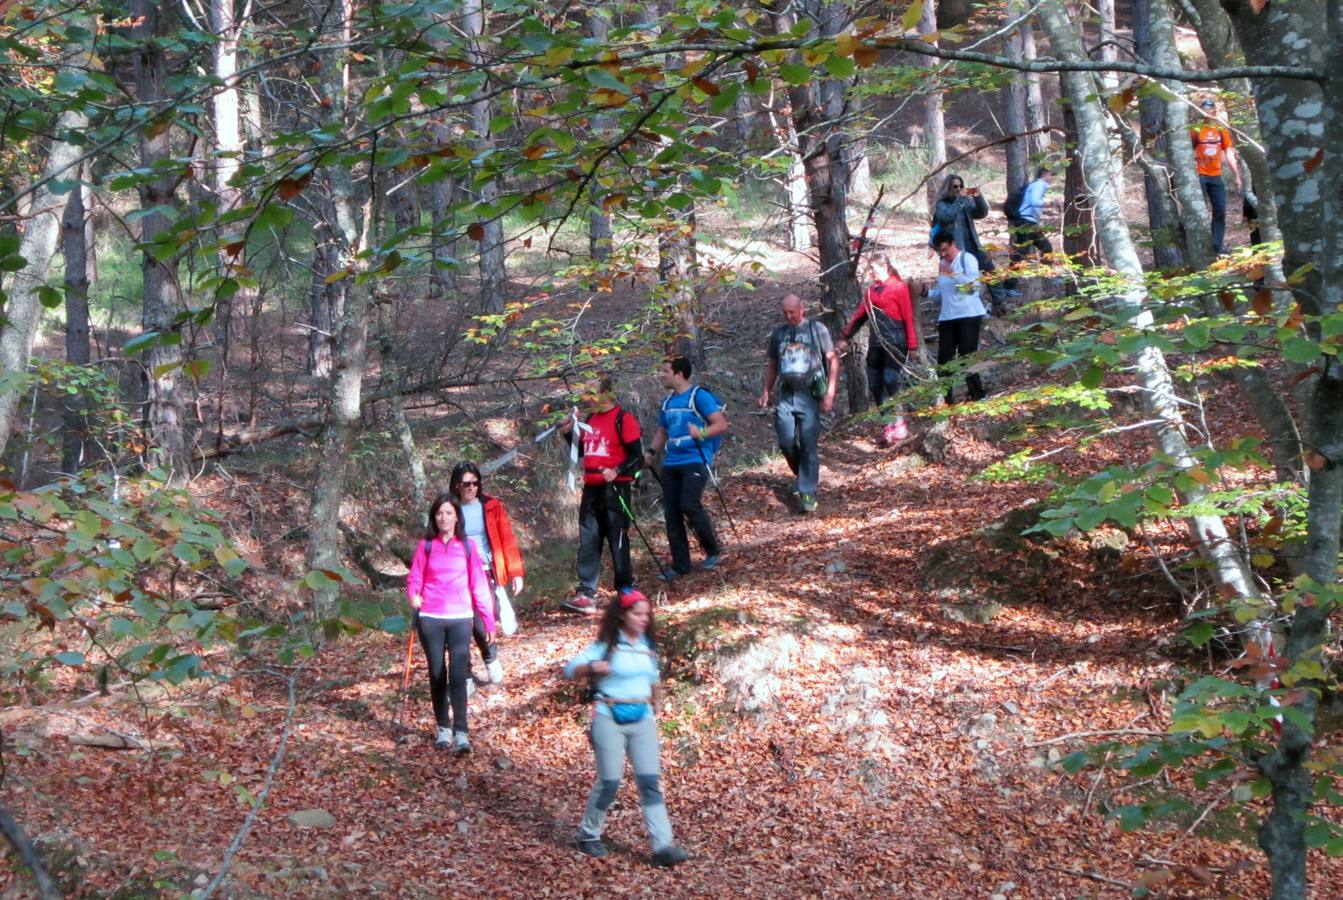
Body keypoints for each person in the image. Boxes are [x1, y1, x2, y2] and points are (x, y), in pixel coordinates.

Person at [564, 589, 689, 867]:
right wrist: (592, 667)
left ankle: (662, 847)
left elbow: (653, 678)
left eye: (647, 614)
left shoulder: (647, 645)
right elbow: (570, 669)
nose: (644, 619)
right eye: (638, 613)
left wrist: (656, 703)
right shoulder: (606, 644)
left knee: (650, 782)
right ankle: (588, 834)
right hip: (608, 714)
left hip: (642, 717)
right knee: (609, 781)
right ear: (622, 615)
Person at [405, 493, 496, 754]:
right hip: (431, 617)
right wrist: (413, 595)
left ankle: (462, 732)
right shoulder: (426, 546)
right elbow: (414, 578)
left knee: (458, 674)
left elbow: (479, 585)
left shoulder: (468, 548)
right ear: (434, 518)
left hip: (460, 618)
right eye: (439, 513)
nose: (444, 518)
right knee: (436, 673)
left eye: (448, 513)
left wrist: (488, 621)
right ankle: (443, 727)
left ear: (457, 517)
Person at [559, 374, 644, 615]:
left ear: (606, 393)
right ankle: (586, 593)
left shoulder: (623, 419)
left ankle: (626, 591)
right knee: (588, 539)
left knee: (617, 538)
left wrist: (616, 470)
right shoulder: (591, 419)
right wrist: (567, 433)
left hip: (616, 488)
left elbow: (636, 456)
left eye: (592, 391)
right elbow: (585, 450)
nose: (587, 396)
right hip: (592, 487)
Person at [644, 356, 727, 580]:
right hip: (672, 462)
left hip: (696, 459)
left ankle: (712, 550)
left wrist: (700, 433)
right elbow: (662, 431)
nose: (662, 375)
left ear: (679, 374)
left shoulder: (699, 396)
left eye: (665, 371)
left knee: (689, 504)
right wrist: (651, 452)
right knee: (672, 513)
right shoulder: (668, 402)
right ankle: (681, 565)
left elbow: (720, 424)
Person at [757, 294, 839, 514]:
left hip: (809, 393)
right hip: (786, 394)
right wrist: (767, 390)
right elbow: (773, 365)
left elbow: (832, 360)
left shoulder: (817, 329)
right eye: (784, 312)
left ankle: (808, 492)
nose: (788, 316)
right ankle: (803, 474)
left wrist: (829, 393)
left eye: (792, 311)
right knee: (785, 441)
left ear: (802, 309)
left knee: (808, 442)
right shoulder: (779, 334)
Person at [449, 460, 524, 685]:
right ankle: (465, 673)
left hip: (485, 570)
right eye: (466, 484)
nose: (471, 488)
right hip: (458, 573)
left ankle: (491, 658)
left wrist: (516, 572)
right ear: (456, 486)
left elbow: (507, 539)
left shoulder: (491, 505)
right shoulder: (449, 508)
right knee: (462, 623)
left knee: (482, 620)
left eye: (475, 483)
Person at [836, 255, 917, 446]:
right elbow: (859, 316)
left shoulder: (899, 287)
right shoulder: (871, 291)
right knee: (874, 384)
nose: (870, 273)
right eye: (869, 269)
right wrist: (844, 337)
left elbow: (908, 317)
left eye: (873, 269)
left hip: (896, 342)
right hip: (875, 344)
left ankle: (899, 422)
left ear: (885, 267)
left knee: (890, 379)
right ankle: (888, 423)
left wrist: (912, 345)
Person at [930, 173, 1007, 313]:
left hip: (973, 244)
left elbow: (981, 213)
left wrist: (978, 197)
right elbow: (946, 217)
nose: (958, 189)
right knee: (958, 278)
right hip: (954, 249)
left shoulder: (965, 201)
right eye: (955, 186)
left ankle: (1000, 303)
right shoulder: (942, 204)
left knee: (990, 269)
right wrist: (959, 200)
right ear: (948, 187)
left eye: (961, 186)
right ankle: (964, 308)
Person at [930, 233, 988, 403]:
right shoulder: (942, 263)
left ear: (953, 243)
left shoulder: (967, 259)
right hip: (948, 317)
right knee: (944, 360)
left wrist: (953, 274)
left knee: (967, 357)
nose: (943, 254)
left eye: (945, 250)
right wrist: (927, 292)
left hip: (969, 315)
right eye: (939, 252)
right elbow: (943, 293)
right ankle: (946, 400)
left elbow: (973, 290)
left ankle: (978, 394)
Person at [1190, 97, 1243, 256]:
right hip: (1200, 175)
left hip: (1216, 176)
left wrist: (1237, 176)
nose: (1207, 112)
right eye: (1204, 109)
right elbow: (1188, 150)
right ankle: (1201, 247)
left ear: (1214, 111)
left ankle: (1217, 246)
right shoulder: (1196, 130)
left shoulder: (1221, 129)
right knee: (1201, 212)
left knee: (1220, 211)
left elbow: (1228, 152)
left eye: (1210, 109)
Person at [1008, 167, 1053, 264]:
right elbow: (1035, 202)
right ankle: (1048, 276)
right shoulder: (1039, 185)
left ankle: (1010, 276)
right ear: (1044, 174)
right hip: (1026, 221)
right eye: (1051, 175)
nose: (1052, 178)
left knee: (1022, 250)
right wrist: (1051, 203)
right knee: (1045, 248)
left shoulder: (1036, 185)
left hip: (1025, 221)